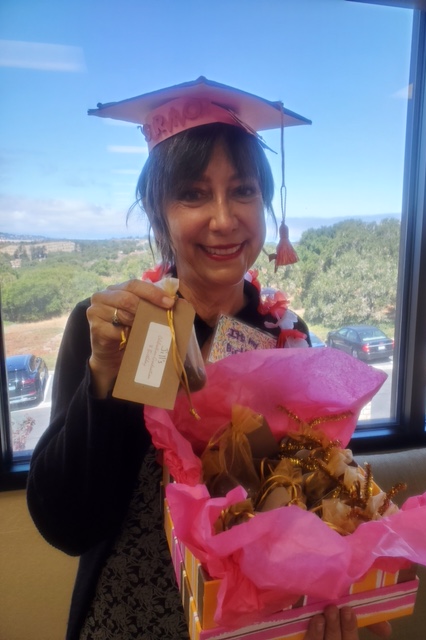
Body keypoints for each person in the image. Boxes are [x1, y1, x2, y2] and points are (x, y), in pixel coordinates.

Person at [27, 78, 391, 640]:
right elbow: (68, 524)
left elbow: (322, 503)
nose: (223, 219)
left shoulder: (286, 339)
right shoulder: (116, 329)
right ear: (158, 212)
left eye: (242, 191)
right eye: (193, 194)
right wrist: (104, 374)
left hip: (256, 624)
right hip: (131, 616)